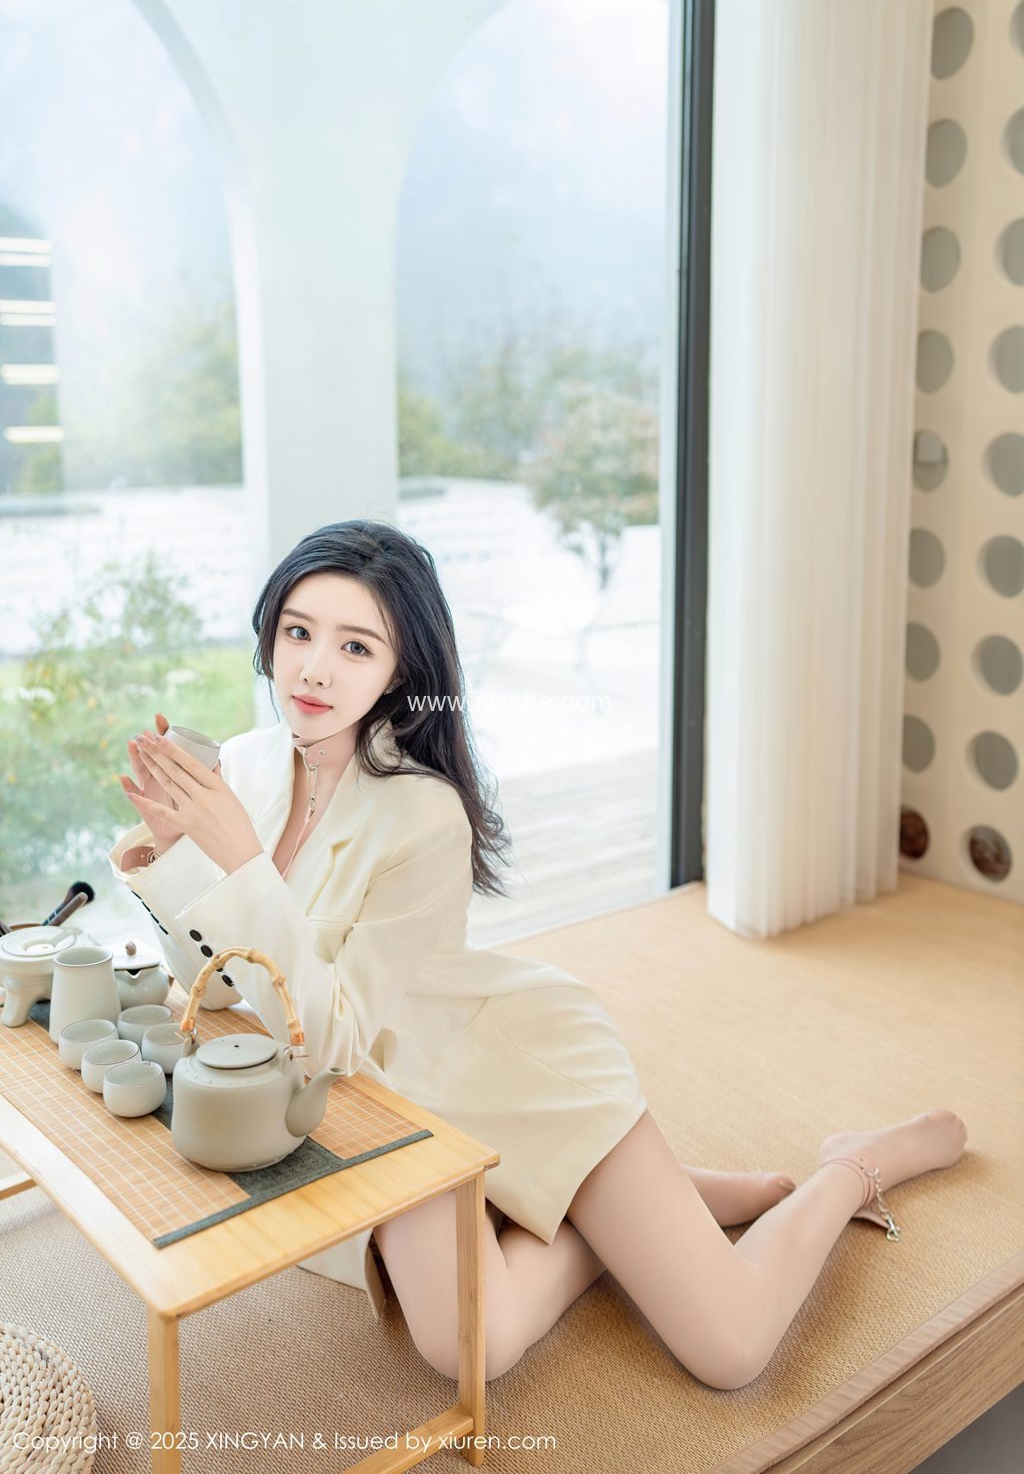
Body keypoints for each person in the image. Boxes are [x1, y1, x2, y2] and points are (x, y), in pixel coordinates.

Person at [107, 519, 968, 1390]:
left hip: (504, 1074)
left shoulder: (423, 815)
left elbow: (327, 1035)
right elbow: (221, 994)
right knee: (469, 1350)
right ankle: (599, 1211)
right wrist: (177, 853)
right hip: (387, 1106)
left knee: (732, 1350)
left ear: (399, 671)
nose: (315, 669)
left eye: (356, 645)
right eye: (298, 632)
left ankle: (855, 1166)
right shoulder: (247, 767)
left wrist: (239, 861)